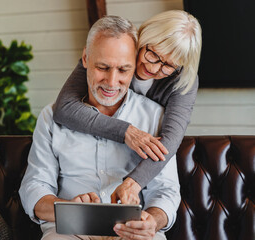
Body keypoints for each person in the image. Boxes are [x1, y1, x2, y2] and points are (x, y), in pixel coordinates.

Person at [19, 15, 180, 240]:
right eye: (103, 67)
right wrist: (69, 207)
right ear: (85, 58)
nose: (112, 83)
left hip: (133, 233)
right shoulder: (51, 117)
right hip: (70, 232)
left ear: (135, 66)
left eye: (123, 70)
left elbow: (166, 192)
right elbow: (34, 189)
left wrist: (152, 220)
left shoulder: (155, 116)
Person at [52, 10, 202, 205]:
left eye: (168, 66)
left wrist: (133, 183)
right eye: (153, 55)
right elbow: (64, 108)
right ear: (143, 37)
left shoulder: (183, 81)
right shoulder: (114, 53)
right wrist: (127, 132)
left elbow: (169, 141)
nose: (155, 69)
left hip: (145, 168)